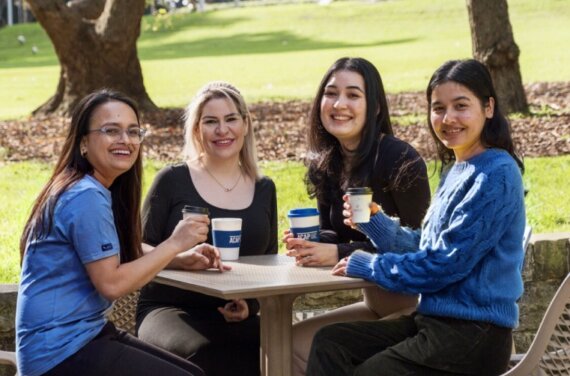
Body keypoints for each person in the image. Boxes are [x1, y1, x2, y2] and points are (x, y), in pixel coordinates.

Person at [306, 59, 526, 376]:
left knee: (374, 371)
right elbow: (426, 246)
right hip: (434, 322)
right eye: (438, 108)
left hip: (475, 335)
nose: (448, 118)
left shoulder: (496, 174)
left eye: (460, 106)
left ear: (488, 107)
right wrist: (376, 223)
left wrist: (370, 264)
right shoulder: (457, 170)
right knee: (331, 342)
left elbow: (444, 264)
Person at [16, 89, 224, 376]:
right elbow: (111, 284)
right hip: (59, 353)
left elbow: (115, 250)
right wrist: (174, 244)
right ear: (83, 143)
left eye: (133, 131)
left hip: (86, 335)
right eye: (111, 131)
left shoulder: (91, 188)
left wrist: (179, 258)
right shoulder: (84, 196)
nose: (125, 140)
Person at [283, 57, 431, 375]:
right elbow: (331, 232)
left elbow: (419, 248)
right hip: (375, 306)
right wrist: (308, 243)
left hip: (420, 311)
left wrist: (336, 252)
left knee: (332, 345)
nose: (339, 104)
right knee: (287, 344)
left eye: (353, 95)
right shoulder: (328, 162)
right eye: (331, 93)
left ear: (375, 107)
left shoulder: (400, 159)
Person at [136, 81, 278, 376]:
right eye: (211, 121)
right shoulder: (173, 180)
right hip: (169, 308)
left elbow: (269, 261)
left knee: (283, 346)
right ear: (197, 130)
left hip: (233, 314)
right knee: (213, 351)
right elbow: (134, 247)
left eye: (230, 119)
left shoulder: (264, 189)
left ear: (246, 124)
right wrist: (177, 257)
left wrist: (249, 305)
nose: (222, 130)